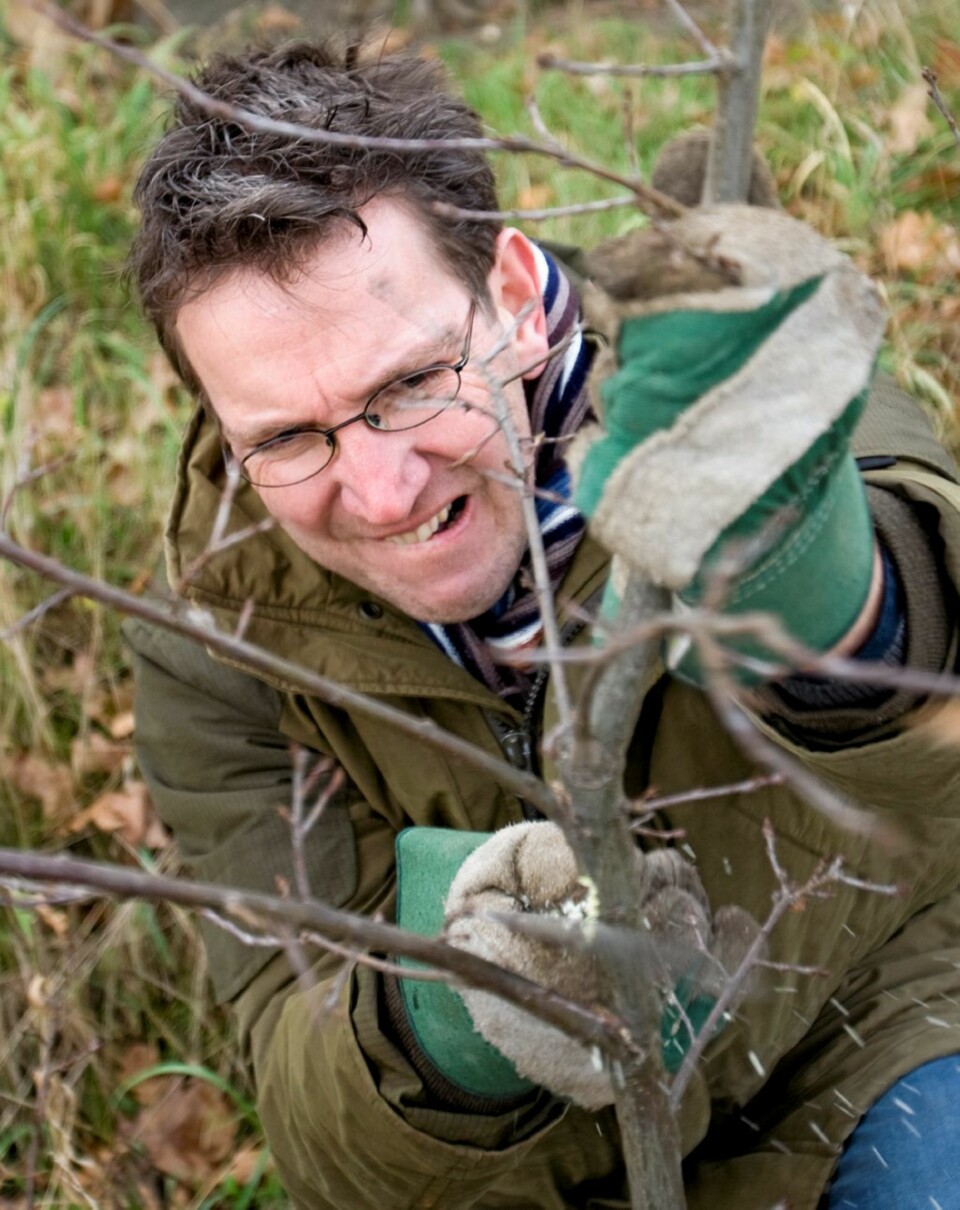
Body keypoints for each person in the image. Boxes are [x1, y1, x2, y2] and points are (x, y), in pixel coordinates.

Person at [124, 41, 960, 1210]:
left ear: (513, 294)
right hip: (555, 1170)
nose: (380, 491)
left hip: (871, 1030)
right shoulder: (217, 638)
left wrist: (789, 554)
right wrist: (455, 1007)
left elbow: (923, 670)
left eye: (408, 385)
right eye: (287, 438)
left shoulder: (716, 367)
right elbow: (322, 1127)